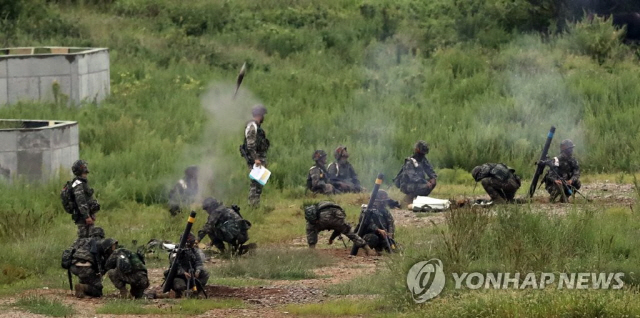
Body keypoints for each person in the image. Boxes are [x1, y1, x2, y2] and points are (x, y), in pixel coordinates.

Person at [240, 105, 270, 207]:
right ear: (260, 115)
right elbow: (250, 144)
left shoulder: (256, 126)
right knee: (255, 182)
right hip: (256, 158)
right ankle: (253, 204)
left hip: (259, 157)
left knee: (260, 182)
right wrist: (256, 159)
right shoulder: (252, 126)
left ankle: (255, 203)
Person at [163, 233, 209, 298]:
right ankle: (179, 293)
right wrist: (183, 273)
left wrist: (198, 270)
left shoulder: (193, 250)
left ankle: (194, 293)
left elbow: (199, 262)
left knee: (205, 274)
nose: (193, 244)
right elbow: (175, 265)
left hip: (192, 274)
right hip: (179, 276)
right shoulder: (177, 251)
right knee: (180, 286)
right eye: (192, 242)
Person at [393, 141, 438, 205]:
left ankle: (419, 199)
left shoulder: (423, 159)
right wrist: (426, 182)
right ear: (417, 150)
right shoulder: (410, 162)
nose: (422, 155)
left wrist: (433, 178)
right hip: (407, 185)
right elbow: (413, 177)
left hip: (418, 183)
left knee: (432, 183)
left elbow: (429, 169)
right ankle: (408, 198)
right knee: (426, 186)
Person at [69, 160, 101, 238]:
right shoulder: (78, 184)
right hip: (82, 217)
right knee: (83, 239)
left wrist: (91, 214)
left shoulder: (82, 182)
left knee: (90, 237)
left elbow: (87, 199)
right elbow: (81, 202)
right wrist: (86, 217)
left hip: (87, 215)